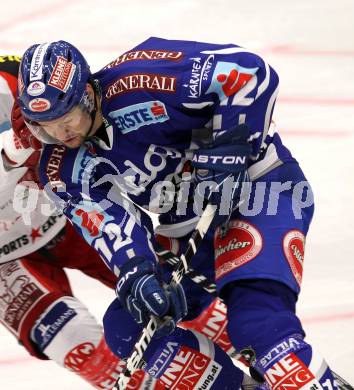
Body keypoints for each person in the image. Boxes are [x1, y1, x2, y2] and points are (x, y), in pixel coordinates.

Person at [16, 38, 339, 389]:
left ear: (87, 94)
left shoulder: (143, 79)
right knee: (128, 326)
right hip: (189, 227)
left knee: (257, 323)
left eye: (67, 120)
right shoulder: (59, 167)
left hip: (260, 191)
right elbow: (108, 223)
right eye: (44, 126)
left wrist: (230, 145)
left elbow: (248, 72)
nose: (60, 135)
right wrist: (136, 271)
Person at [0, 55, 164, 389]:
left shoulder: (13, 77)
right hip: (5, 260)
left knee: (170, 295)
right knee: (77, 344)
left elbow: (80, 114)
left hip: (64, 212)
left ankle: (260, 361)